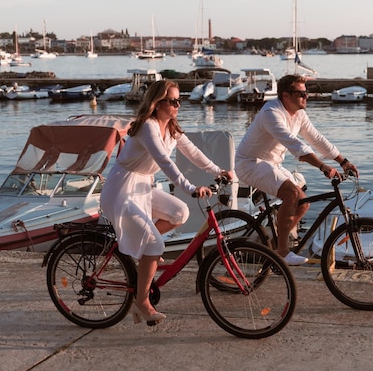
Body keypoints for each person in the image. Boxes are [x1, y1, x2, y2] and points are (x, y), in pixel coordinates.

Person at [100, 80, 232, 325]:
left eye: (179, 100)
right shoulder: (147, 127)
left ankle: (144, 251)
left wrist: (218, 171)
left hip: (143, 188)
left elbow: (192, 151)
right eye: (172, 101)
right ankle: (141, 303)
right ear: (156, 103)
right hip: (122, 190)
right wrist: (190, 188)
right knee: (154, 244)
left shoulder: (170, 128)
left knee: (179, 213)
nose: (177, 105)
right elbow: (164, 161)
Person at [235, 74, 358, 265]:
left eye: (306, 92)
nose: (306, 96)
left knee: (303, 202)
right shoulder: (271, 113)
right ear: (286, 96)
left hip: (272, 164)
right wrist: (322, 166)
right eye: (301, 93)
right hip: (250, 163)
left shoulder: (299, 114)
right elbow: (295, 145)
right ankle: (282, 252)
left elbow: (316, 138)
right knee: (291, 194)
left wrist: (343, 161)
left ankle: (276, 245)